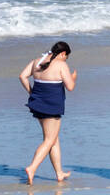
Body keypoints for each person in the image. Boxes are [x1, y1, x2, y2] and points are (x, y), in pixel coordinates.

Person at [19, 41, 76, 185]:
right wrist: (73, 77)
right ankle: (32, 168)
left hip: (37, 104)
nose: (65, 60)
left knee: (53, 139)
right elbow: (70, 87)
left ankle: (59, 173)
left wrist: (31, 92)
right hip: (52, 106)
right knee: (49, 140)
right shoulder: (61, 65)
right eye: (66, 57)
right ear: (63, 54)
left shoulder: (37, 61)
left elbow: (22, 76)